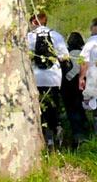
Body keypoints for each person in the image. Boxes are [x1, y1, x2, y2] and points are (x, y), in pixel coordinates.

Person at [26, 13, 69, 145]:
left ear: (34, 22)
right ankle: (57, 129)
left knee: (40, 108)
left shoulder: (29, 37)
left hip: (36, 78)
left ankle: (45, 136)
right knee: (54, 106)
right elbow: (65, 56)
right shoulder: (56, 35)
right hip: (53, 77)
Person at [60, 31, 91, 146]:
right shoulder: (84, 53)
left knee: (72, 110)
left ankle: (78, 135)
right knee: (81, 108)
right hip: (84, 84)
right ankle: (86, 127)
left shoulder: (66, 55)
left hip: (68, 86)